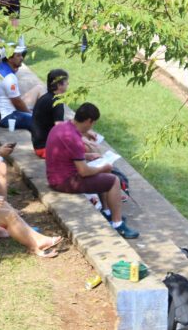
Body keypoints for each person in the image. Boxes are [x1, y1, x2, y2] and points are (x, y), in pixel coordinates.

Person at [44, 102, 138, 238]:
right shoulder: (74, 138)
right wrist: (102, 167)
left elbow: (68, 155)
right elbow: (83, 171)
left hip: (55, 175)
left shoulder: (62, 127)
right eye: (93, 123)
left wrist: (88, 156)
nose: (91, 127)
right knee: (113, 180)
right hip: (65, 181)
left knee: (102, 173)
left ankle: (107, 211)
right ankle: (118, 224)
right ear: (89, 121)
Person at [0, 42, 45, 132]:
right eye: (18, 56)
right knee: (42, 122)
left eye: (21, 55)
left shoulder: (1, 67)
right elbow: (17, 103)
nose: (22, 58)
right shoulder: (9, 77)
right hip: (5, 118)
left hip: (1, 111)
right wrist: (30, 113)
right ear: (9, 58)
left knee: (39, 88)